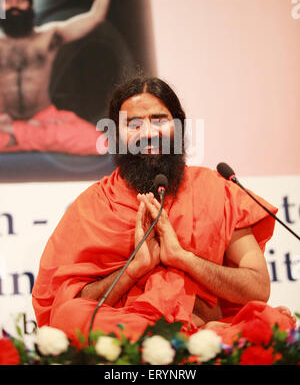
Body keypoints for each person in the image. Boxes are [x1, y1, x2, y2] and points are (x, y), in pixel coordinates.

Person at [32, 76, 296, 346]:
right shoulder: (94, 204)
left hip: (200, 329)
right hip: (132, 328)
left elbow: (258, 288)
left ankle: (182, 343)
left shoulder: (216, 190)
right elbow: (67, 305)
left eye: (159, 120)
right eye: (133, 124)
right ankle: (184, 343)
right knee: (71, 316)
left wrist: (183, 259)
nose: (148, 133)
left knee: (273, 322)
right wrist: (135, 269)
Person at [0, 0, 137, 155]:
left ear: (31, 6)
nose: (14, 5)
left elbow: (95, 16)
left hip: (45, 119)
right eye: (7, 1)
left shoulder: (49, 35)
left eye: (20, 0)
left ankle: (17, 136)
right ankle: (23, 134)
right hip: (3, 119)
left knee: (98, 142)